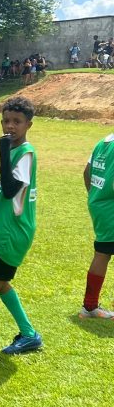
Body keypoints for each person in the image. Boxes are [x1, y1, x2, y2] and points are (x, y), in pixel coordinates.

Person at [0, 96, 42, 362]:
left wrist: (3, 151)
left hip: (14, 230)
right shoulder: (14, 150)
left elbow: (12, 188)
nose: (10, 127)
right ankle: (28, 333)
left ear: (29, 125)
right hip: (5, 228)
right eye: (6, 121)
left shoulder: (24, 153)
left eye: (17, 122)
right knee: (0, 283)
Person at [79, 132, 114, 318]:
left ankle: (90, 306)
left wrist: (95, 196)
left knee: (102, 253)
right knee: (102, 253)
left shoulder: (103, 142)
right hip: (111, 208)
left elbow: (87, 172)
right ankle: (90, 307)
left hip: (100, 207)